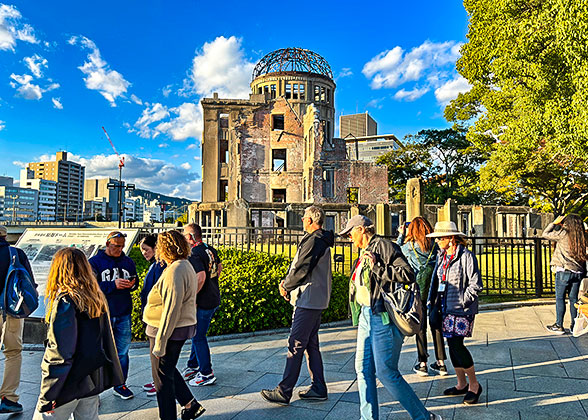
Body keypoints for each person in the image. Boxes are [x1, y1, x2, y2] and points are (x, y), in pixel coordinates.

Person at [341, 215, 441, 420]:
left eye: (350, 232)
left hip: (382, 318)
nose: (348, 237)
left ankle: (423, 417)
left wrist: (378, 267)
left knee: (386, 372)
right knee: (362, 369)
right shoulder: (364, 252)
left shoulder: (384, 247)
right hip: (366, 316)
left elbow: (407, 274)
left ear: (361, 230)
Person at [34, 248, 124, 419]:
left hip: (67, 383)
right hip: (91, 377)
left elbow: (60, 353)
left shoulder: (66, 301)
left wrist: (48, 393)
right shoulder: (95, 297)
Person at [260, 205, 334, 405]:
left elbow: (301, 268)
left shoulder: (314, 240)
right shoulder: (320, 239)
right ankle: (319, 387)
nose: (302, 220)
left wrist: (286, 285)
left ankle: (284, 391)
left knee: (296, 343)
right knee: (310, 345)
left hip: (308, 299)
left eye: (304, 217)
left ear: (311, 220)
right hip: (314, 298)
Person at [143, 230, 204, 420]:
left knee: (161, 380)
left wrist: (160, 342)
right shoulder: (183, 265)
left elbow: (171, 308)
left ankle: (169, 416)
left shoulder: (175, 270)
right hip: (173, 330)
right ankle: (190, 404)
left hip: (165, 331)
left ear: (165, 248)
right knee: (166, 371)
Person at [427, 221, 483, 405]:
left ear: (451, 238)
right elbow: (435, 281)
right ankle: (461, 383)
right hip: (444, 307)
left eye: (440, 238)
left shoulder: (466, 257)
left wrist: (463, 300)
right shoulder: (441, 256)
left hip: (461, 310)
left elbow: (475, 284)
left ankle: (474, 384)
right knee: (451, 344)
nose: (437, 241)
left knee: (458, 345)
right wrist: (432, 301)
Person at [88, 231, 138, 400]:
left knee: (122, 352)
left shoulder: (128, 261)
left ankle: (121, 383)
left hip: (123, 311)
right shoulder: (94, 262)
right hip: (103, 313)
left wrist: (132, 284)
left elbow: (135, 281)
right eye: (116, 246)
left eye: (122, 246)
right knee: (99, 351)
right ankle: (95, 388)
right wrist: (112, 285)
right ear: (108, 244)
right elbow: (91, 287)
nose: (119, 249)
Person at [397, 217, 447, 377]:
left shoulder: (409, 247)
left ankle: (423, 363)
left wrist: (400, 235)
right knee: (436, 324)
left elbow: (396, 251)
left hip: (417, 290)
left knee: (421, 326)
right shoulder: (434, 246)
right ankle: (441, 363)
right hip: (434, 289)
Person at [0, 225, 36, 413]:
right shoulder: (15, 253)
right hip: (11, 310)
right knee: (13, 352)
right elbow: (29, 282)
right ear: (5, 236)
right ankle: (8, 398)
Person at [181, 223, 223, 386]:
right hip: (213, 297)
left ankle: (206, 373)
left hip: (203, 302)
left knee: (198, 336)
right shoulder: (209, 248)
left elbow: (200, 277)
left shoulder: (193, 253)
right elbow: (218, 268)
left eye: (184, 235)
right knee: (196, 334)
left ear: (190, 237)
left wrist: (192, 298)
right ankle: (193, 365)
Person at [543, 214, 587, 334]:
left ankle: (559, 325)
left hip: (563, 270)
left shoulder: (563, 234)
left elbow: (545, 234)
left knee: (560, 298)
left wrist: (554, 223)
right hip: (578, 272)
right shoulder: (582, 236)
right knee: (573, 299)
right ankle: (574, 325)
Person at [138, 234, 166, 397]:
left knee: (157, 353)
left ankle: (160, 384)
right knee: (156, 353)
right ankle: (158, 381)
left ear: (156, 248)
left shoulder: (160, 266)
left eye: (146, 249)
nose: (143, 253)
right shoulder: (156, 264)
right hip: (152, 315)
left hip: (156, 318)